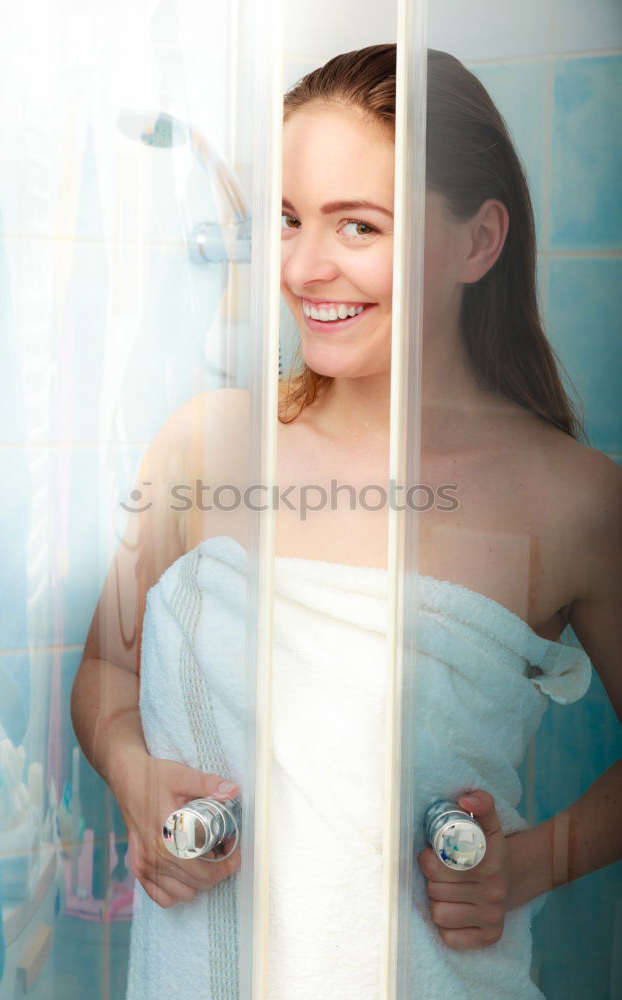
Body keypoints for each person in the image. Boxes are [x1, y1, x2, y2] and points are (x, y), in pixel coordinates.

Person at [71, 45, 621, 999]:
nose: (302, 265)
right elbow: (105, 672)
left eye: (357, 226)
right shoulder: (204, 449)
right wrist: (131, 772)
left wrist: (525, 867)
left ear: (478, 243)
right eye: (287, 219)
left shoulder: (571, 500)